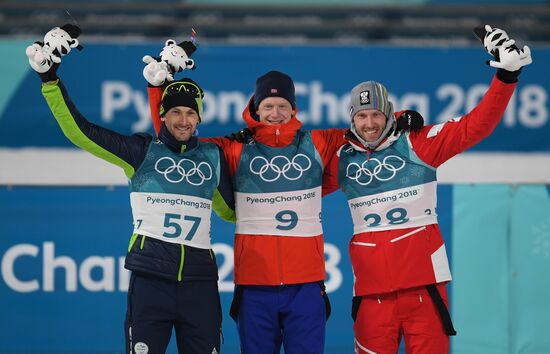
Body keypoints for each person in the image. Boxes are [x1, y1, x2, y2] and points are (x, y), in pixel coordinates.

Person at [146, 63, 423, 352]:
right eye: (268, 106)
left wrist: (403, 116)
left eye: (282, 106)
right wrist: (157, 90)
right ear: (256, 108)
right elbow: (174, 141)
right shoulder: (234, 147)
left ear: (294, 109)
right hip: (254, 287)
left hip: (305, 287)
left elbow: (367, 129)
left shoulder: (317, 142)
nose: (275, 113)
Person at [323, 27, 532, 354]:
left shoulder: (418, 143)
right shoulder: (343, 159)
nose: (369, 123)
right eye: (362, 116)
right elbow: (297, 189)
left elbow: (474, 127)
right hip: (371, 297)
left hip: (424, 291)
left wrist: (506, 77)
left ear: (388, 113)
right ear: (352, 118)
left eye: (376, 114)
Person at [28, 28, 235, 354]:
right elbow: (81, 132)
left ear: (199, 118)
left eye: (190, 112)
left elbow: (231, 211)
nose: (183, 120)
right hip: (151, 281)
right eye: (175, 112)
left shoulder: (212, 158)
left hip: (200, 284)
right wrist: (49, 80)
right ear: (162, 115)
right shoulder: (141, 152)